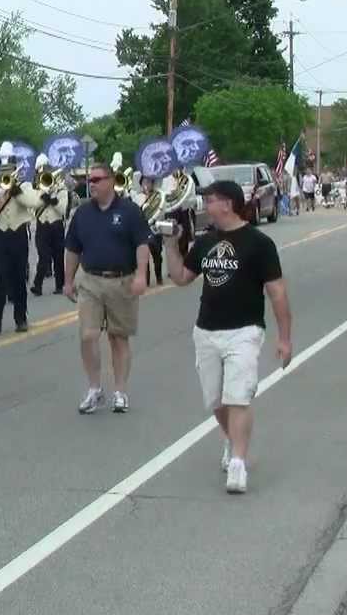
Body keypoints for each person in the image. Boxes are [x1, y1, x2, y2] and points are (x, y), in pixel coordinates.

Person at [162, 180, 292, 494]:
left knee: (238, 396)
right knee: (216, 401)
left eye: (210, 201)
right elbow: (181, 278)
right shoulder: (206, 242)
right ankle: (232, 439)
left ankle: (238, 463)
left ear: (228, 204)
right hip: (206, 330)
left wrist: (285, 338)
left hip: (245, 330)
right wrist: (169, 245)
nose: (205, 206)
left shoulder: (259, 243)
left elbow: (277, 293)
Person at [64, 161, 151, 416]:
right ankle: (94, 389)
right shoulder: (82, 213)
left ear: (111, 181)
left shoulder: (130, 211)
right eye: (89, 180)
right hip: (90, 281)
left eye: (98, 179)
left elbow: (142, 245)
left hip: (122, 281)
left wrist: (142, 275)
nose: (92, 184)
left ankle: (120, 391)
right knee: (88, 335)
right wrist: (68, 281)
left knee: (118, 338)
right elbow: (72, 249)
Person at [0, 150, 43, 333]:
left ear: (15, 169)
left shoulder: (24, 186)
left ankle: (21, 318)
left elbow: (34, 202)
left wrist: (15, 191)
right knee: (0, 278)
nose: (6, 173)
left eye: (9, 169)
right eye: (3, 170)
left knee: (19, 278)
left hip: (18, 234)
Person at [31, 162, 70, 296]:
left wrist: (52, 199)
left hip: (56, 226)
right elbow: (33, 208)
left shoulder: (61, 190)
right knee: (43, 256)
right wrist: (42, 195)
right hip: (42, 226)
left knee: (58, 257)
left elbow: (62, 209)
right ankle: (37, 285)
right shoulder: (38, 189)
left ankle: (60, 285)